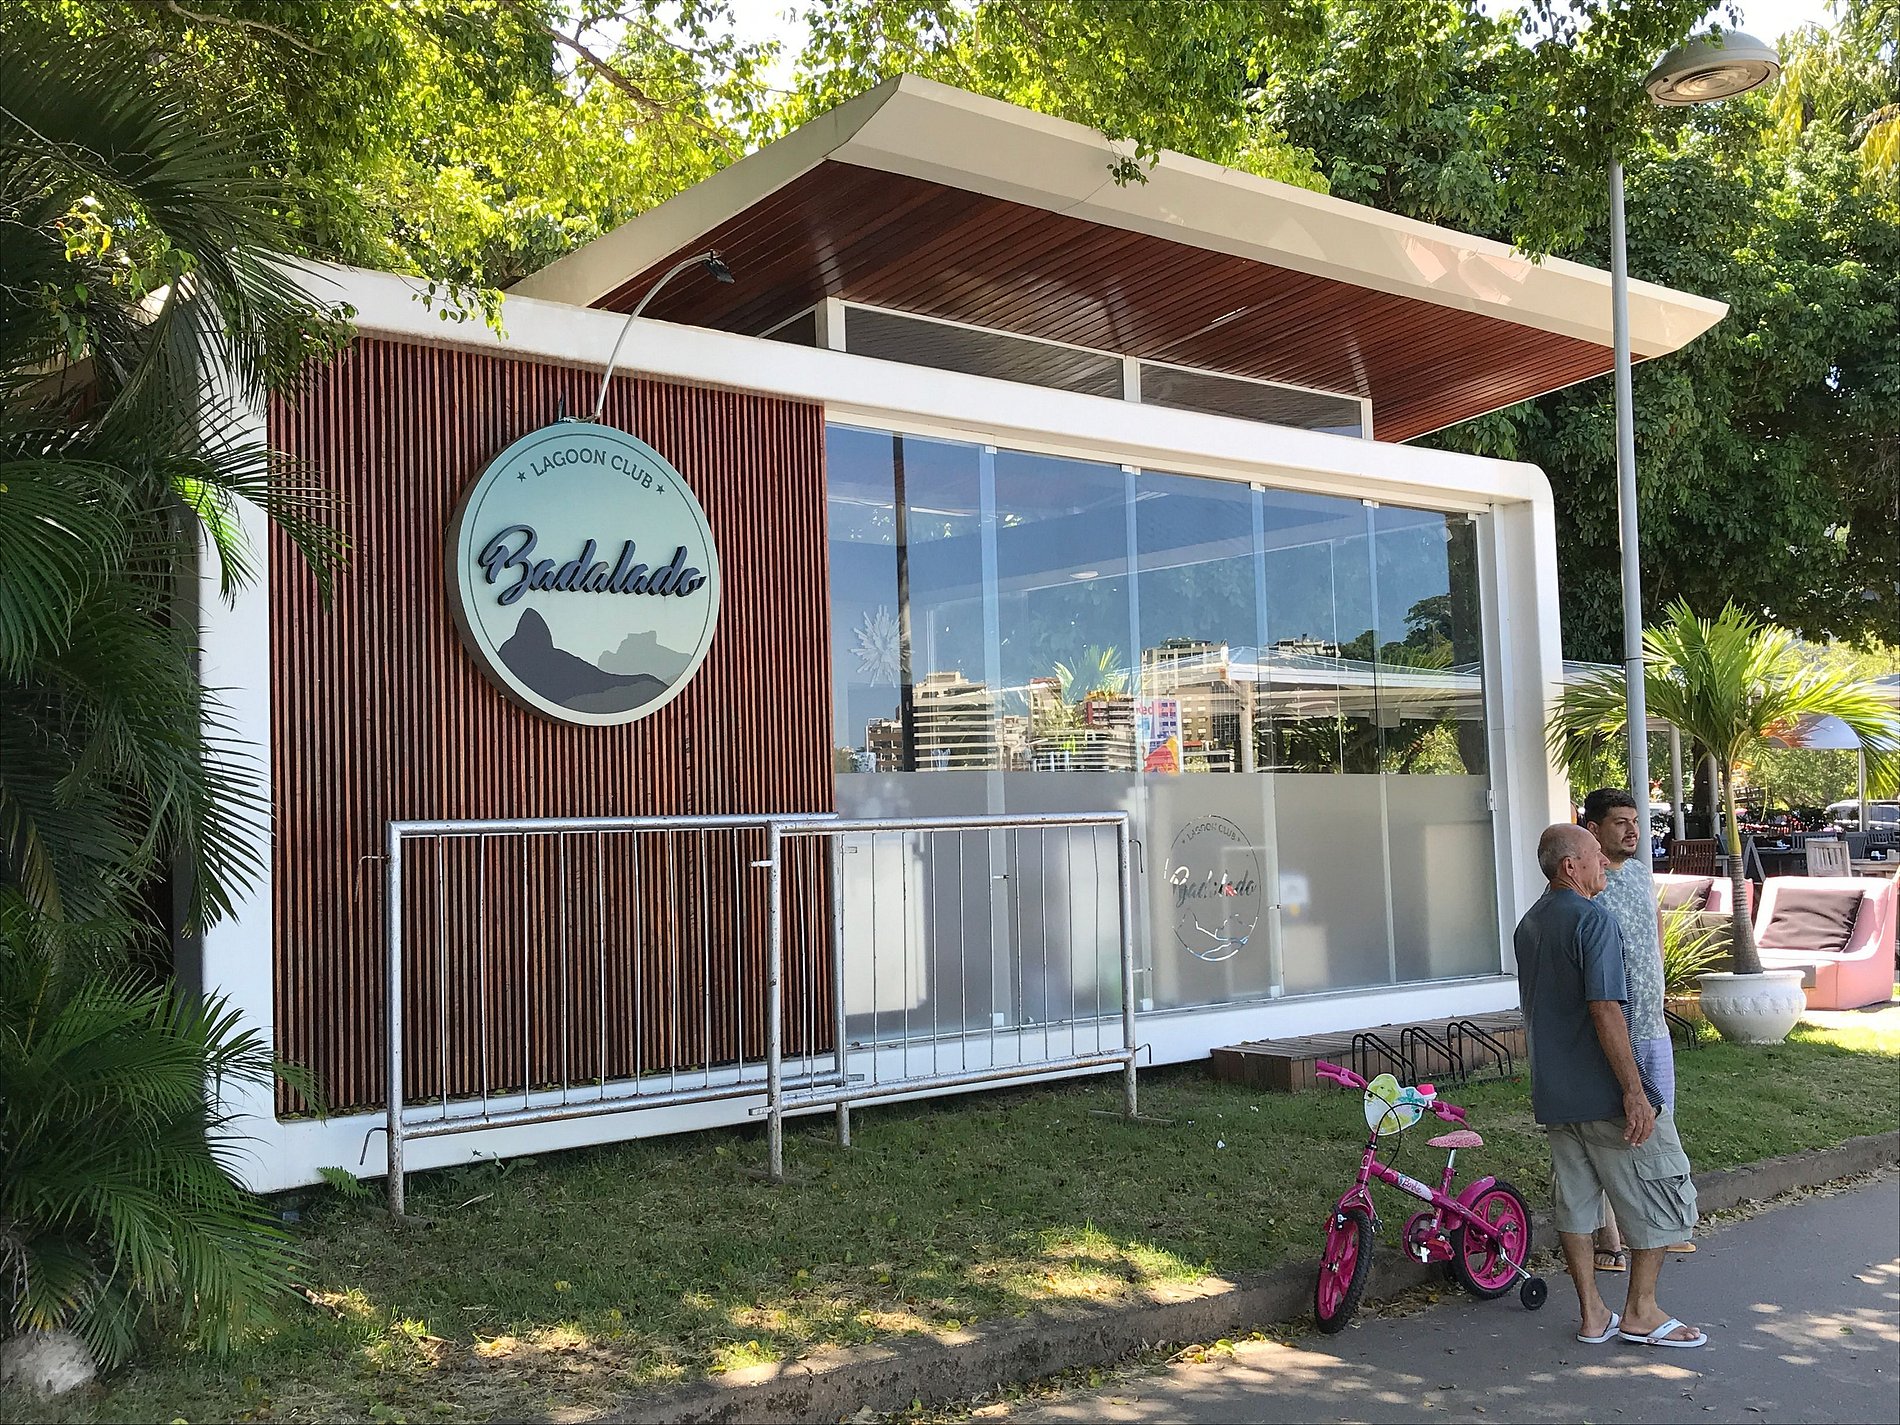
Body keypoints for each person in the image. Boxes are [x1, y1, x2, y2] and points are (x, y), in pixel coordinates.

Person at [1514, 823, 1705, 1348]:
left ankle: (1593, 1313)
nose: (1604, 862)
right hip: (1604, 1092)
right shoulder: (1593, 919)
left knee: (1576, 1203)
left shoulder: (1530, 923)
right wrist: (1634, 1090)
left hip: (1556, 1093)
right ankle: (1641, 1311)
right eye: (1595, 854)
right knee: (1661, 1192)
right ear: (1569, 866)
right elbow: (1605, 1008)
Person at [1581, 787, 1697, 1269]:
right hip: (1612, 1028)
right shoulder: (1586, 883)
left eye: (1635, 821)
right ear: (1593, 830)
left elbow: (1654, 932)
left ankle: (1658, 1226)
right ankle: (1609, 1240)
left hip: (1652, 1027)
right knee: (1608, 1133)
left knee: (1657, 1125)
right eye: (1620, 822)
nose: (1633, 831)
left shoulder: (1639, 874)